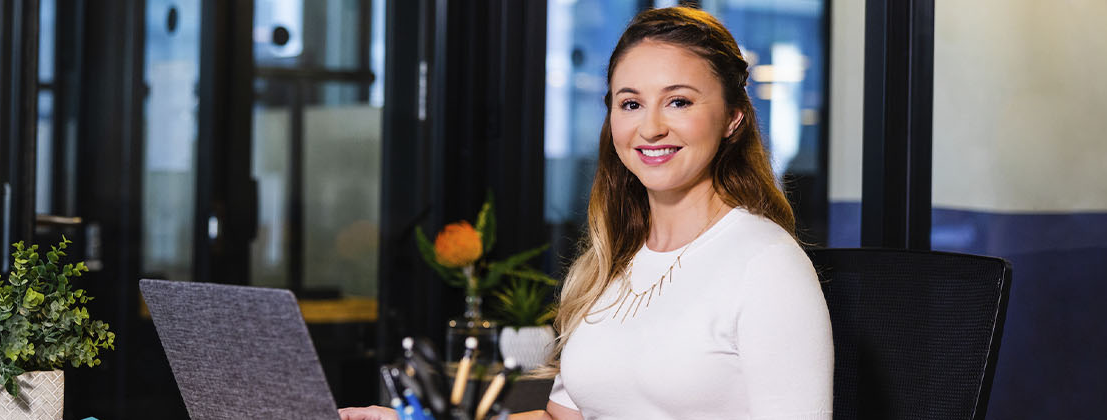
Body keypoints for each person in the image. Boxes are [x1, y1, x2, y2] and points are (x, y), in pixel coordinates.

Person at [342, 6, 832, 419]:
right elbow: (563, 417)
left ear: (732, 118)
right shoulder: (613, 263)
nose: (651, 127)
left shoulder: (765, 264)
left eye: (678, 101)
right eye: (631, 104)